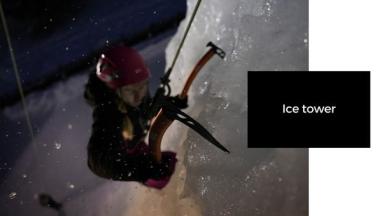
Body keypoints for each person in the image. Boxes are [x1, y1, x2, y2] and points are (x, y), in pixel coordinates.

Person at [84, 45, 186, 189]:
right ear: (115, 89)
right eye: (130, 90)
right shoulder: (108, 113)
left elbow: (145, 109)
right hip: (125, 154)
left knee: (166, 166)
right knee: (161, 173)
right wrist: (143, 169)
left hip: (135, 142)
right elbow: (99, 162)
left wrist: (169, 103)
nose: (139, 95)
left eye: (143, 86)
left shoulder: (133, 91)